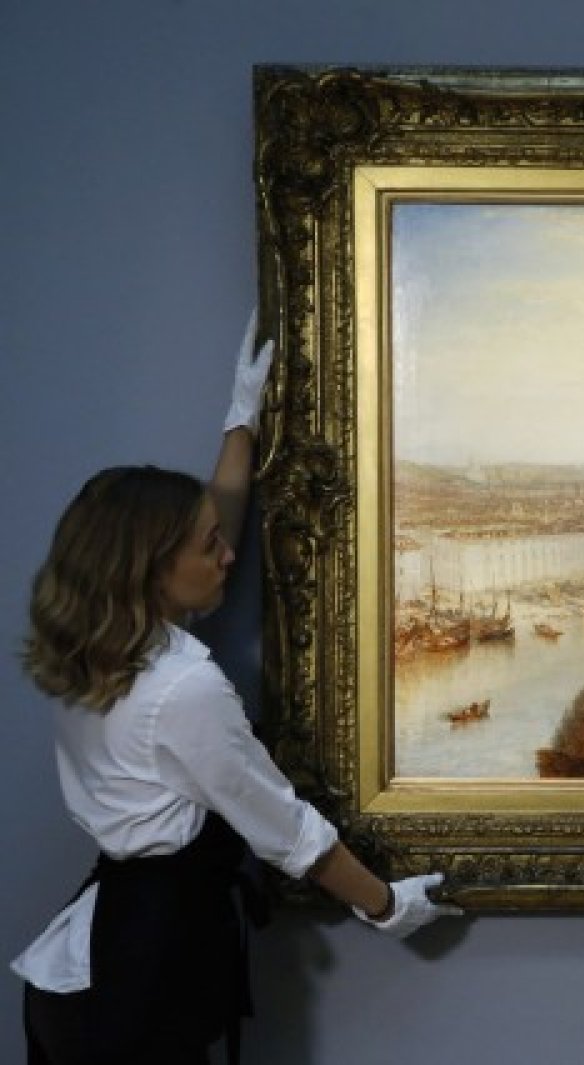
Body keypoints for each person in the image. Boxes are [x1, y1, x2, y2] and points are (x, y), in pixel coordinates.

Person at [13, 314, 463, 1065]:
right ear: (152, 572)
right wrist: (388, 906)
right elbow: (285, 828)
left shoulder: (98, 645)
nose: (228, 553)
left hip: (90, 968)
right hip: (139, 990)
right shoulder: (183, 687)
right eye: (208, 546)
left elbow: (212, 511)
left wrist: (240, 420)